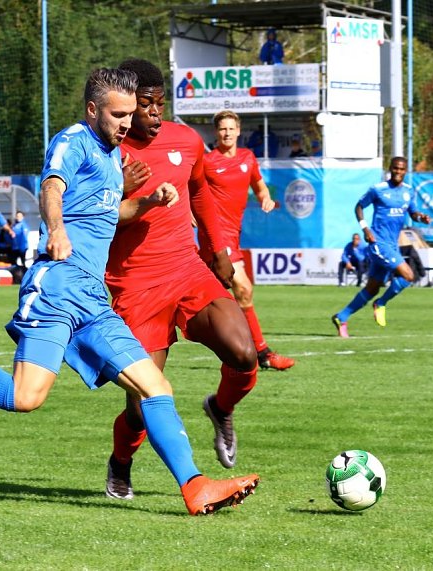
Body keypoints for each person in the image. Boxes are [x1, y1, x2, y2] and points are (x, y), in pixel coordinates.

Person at [0, 67, 258, 516]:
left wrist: (146, 202)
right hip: (56, 287)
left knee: (154, 386)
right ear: (93, 110)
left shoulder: (113, 156)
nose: (127, 122)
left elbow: (109, 210)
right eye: (118, 114)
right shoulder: (72, 141)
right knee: (25, 397)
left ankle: (196, 486)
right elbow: (52, 187)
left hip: (92, 296)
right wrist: (56, 229)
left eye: (131, 113)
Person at [102, 59, 263, 501]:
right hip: (133, 287)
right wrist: (120, 192)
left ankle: (221, 407)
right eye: (145, 105)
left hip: (187, 270)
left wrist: (219, 253)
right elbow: (89, 222)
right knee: (141, 404)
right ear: (123, 107)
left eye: (160, 103)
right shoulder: (101, 152)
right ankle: (120, 461)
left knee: (244, 351)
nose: (155, 113)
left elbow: (200, 194)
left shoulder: (186, 140)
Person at [201, 109, 295, 371]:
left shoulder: (248, 158)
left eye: (231, 128)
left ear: (239, 131)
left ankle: (240, 348)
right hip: (215, 234)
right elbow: (190, 189)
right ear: (216, 132)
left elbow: (259, 185)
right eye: (222, 129)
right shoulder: (207, 161)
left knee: (208, 296)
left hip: (233, 233)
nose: (227, 133)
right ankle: (263, 353)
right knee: (243, 288)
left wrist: (265, 197)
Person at [331, 157, 430, 337]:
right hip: (378, 243)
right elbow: (359, 207)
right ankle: (381, 303)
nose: (398, 172)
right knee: (408, 276)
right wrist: (365, 228)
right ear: (390, 169)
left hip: (393, 245)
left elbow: (413, 213)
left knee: (372, 288)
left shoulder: (409, 191)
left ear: (405, 171)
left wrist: (420, 217)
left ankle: (342, 316)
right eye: (395, 168)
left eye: (401, 169)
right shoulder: (378, 189)